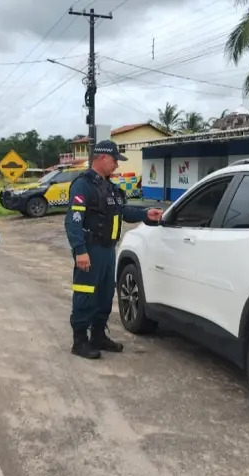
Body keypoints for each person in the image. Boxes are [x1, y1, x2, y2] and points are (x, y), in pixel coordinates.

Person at [64, 140, 163, 359]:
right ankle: (79, 341)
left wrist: (146, 214)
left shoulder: (108, 186)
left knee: (105, 295)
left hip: (108, 250)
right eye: (115, 160)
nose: (117, 165)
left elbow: (121, 211)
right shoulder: (83, 185)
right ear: (102, 158)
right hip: (90, 250)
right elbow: (73, 220)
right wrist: (80, 250)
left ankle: (98, 335)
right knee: (85, 295)